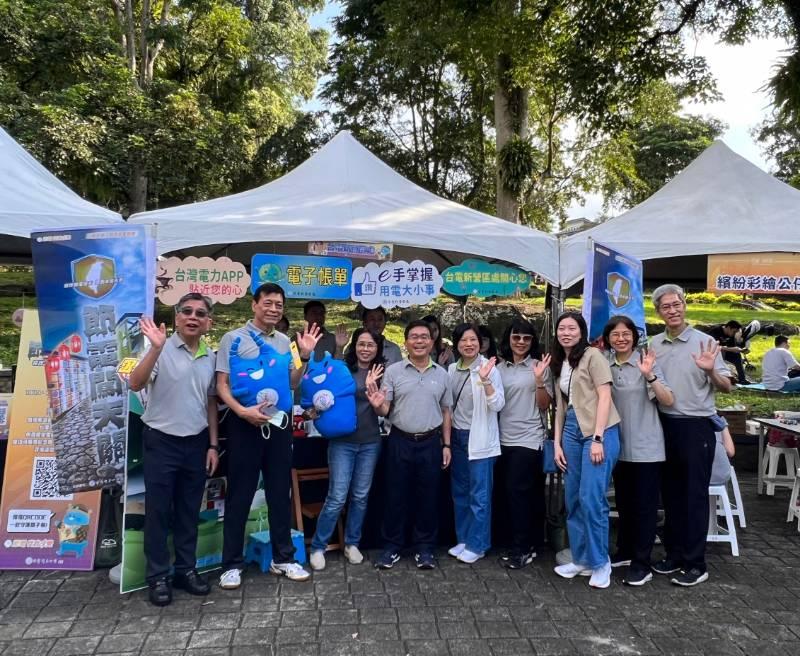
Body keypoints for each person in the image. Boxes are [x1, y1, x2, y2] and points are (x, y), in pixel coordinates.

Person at [215, 283, 321, 587]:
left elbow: (292, 381)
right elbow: (221, 385)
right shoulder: (232, 339)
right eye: (269, 303)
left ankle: (284, 558)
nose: (274, 309)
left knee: (279, 493)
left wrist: (304, 355)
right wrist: (241, 411)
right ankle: (231, 564)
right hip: (243, 425)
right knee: (240, 495)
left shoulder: (285, 341)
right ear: (254, 304)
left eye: (279, 304)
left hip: (279, 425)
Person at [128, 293, 219, 607]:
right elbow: (135, 383)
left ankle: (186, 570)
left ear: (208, 322)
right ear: (176, 316)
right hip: (161, 441)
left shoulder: (211, 356)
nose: (193, 317)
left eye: (200, 313)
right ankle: (157, 577)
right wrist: (154, 348)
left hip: (196, 443)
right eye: (187, 311)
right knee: (158, 512)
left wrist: (212, 444)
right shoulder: (158, 347)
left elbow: (210, 401)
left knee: (188, 511)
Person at [649, 283, 732, 587]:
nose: (672, 310)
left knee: (694, 496)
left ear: (685, 305)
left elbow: (727, 387)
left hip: (696, 426)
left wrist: (710, 371)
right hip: (664, 425)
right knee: (669, 495)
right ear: (658, 311)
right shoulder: (653, 344)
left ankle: (696, 563)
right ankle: (674, 555)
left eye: (677, 304)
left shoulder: (705, 342)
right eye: (666, 307)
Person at [366, 320, 453, 569]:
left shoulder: (442, 373)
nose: (419, 341)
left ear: (432, 342)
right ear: (405, 343)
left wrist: (446, 445)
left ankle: (425, 549)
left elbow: (447, 411)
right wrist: (376, 404)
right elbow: (385, 408)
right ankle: (391, 547)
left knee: (428, 497)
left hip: (430, 443)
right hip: (399, 440)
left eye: (424, 337)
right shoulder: (393, 372)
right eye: (413, 337)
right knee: (395, 495)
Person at [551, 311, 621, 589]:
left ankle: (600, 562)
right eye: (562, 328)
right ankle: (581, 558)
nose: (566, 333)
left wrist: (598, 438)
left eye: (572, 328)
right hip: (570, 432)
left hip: (597, 432)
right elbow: (560, 406)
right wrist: (556, 443)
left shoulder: (593, 356)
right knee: (574, 499)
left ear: (581, 332)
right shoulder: (561, 362)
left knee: (592, 499)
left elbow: (605, 396)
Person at [602, 315, 674, 586]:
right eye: (615, 334)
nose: (621, 338)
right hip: (617, 447)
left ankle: (642, 564)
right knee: (624, 503)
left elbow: (668, 399)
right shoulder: (604, 364)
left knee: (644, 508)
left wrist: (650, 375)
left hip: (647, 447)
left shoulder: (646, 362)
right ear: (607, 339)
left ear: (634, 336)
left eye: (626, 334)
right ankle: (626, 551)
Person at [308, 328, 385, 570]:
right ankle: (318, 547)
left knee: (360, 496)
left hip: (370, 441)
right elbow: (323, 394)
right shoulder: (343, 368)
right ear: (355, 346)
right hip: (342, 442)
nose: (365, 349)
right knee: (337, 497)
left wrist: (376, 392)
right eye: (361, 344)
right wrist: (315, 410)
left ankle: (352, 543)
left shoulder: (383, 373)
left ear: (377, 348)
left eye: (370, 345)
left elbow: (385, 408)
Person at [496, 318, 553, 569]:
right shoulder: (498, 367)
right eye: (516, 337)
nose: (520, 342)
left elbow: (545, 405)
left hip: (529, 439)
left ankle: (524, 547)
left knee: (520, 494)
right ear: (508, 338)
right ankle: (516, 542)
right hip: (500, 438)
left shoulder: (540, 366)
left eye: (526, 338)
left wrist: (539, 380)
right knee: (508, 494)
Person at [447, 323, 505, 564]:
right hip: (458, 437)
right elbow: (447, 407)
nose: (468, 344)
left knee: (479, 495)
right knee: (460, 492)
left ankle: (478, 544)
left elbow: (498, 404)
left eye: (473, 340)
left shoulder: (489, 368)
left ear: (480, 342)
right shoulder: (451, 369)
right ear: (456, 344)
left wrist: (485, 381)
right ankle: (464, 538)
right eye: (463, 340)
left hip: (480, 438)